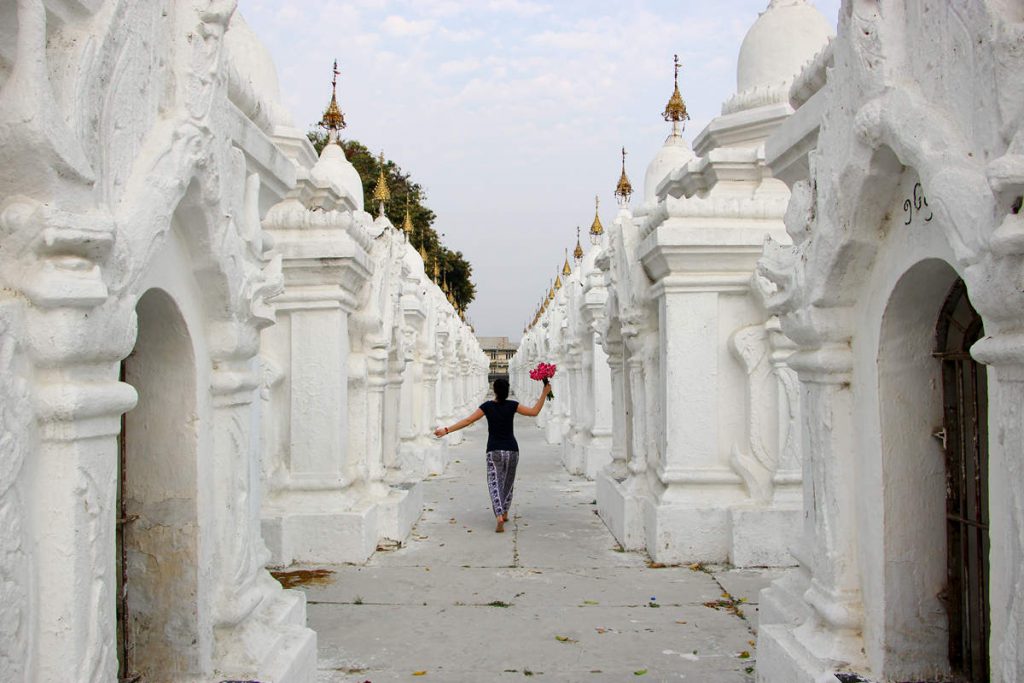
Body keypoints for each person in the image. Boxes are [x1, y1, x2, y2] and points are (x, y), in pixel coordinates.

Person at [434, 377, 552, 532]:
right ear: (507, 391)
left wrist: (447, 430)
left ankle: (499, 516)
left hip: (494, 450)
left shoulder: (487, 407)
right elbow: (534, 412)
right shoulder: (513, 405)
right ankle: (505, 511)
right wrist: (544, 393)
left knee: (494, 483)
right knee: (508, 483)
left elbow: (468, 420)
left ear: (495, 391)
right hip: (512, 450)